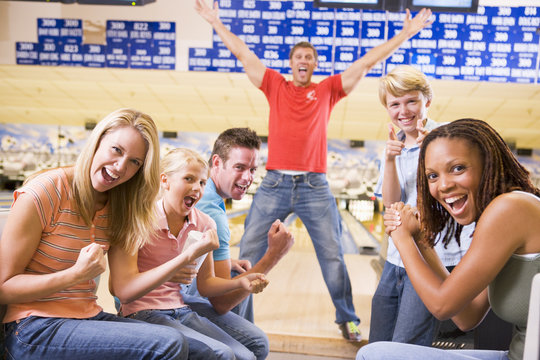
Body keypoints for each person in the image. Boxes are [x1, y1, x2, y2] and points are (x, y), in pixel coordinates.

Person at [195, 0, 433, 341]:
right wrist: (216, 23)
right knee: (248, 252)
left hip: (315, 185)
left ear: (315, 65)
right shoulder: (275, 85)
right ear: (291, 64)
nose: (303, 61)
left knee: (333, 256)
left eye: (309, 58)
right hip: (275, 181)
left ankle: (348, 320)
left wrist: (405, 34)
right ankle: (235, 316)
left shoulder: (327, 90)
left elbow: (368, 61)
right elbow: (244, 54)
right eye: (298, 57)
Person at [0, 108, 188, 359]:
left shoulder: (120, 206)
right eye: (116, 150)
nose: (120, 167)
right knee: (168, 343)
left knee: (197, 348)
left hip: (86, 316)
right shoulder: (45, 192)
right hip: (31, 326)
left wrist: (180, 261)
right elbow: (4, 287)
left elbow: (124, 287)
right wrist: (75, 275)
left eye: (135, 162)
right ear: (97, 141)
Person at [357, 118, 540, 359]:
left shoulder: (508, 209)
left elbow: (441, 306)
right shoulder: (504, 211)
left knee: (374, 355)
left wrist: (401, 239)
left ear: (488, 164)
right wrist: (422, 241)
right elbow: (467, 317)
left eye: (457, 168)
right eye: (432, 176)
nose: (442, 185)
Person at [111, 147, 268, 360]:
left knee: (246, 355)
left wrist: (240, 283)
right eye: (189, 179)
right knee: (223, 355)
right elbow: (119, 289)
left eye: (202, 183)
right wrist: (177, 265)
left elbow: (206, 284)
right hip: (142, 312)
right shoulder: (140, 220)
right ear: (165, 181)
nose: (197, 188)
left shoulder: (204, 224)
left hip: (180, 309)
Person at [370, 65, 473, 346]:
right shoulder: (394, 145)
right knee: (378, 343)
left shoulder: (447, 139)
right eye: (395, 104)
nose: (403, 110)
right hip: (396, 258)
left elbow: (450, 196)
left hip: (433, 257)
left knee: (406, 345)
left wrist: (433, 155)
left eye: (411, 100)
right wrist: (391, 160)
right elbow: (392, 205)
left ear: (427, 100)